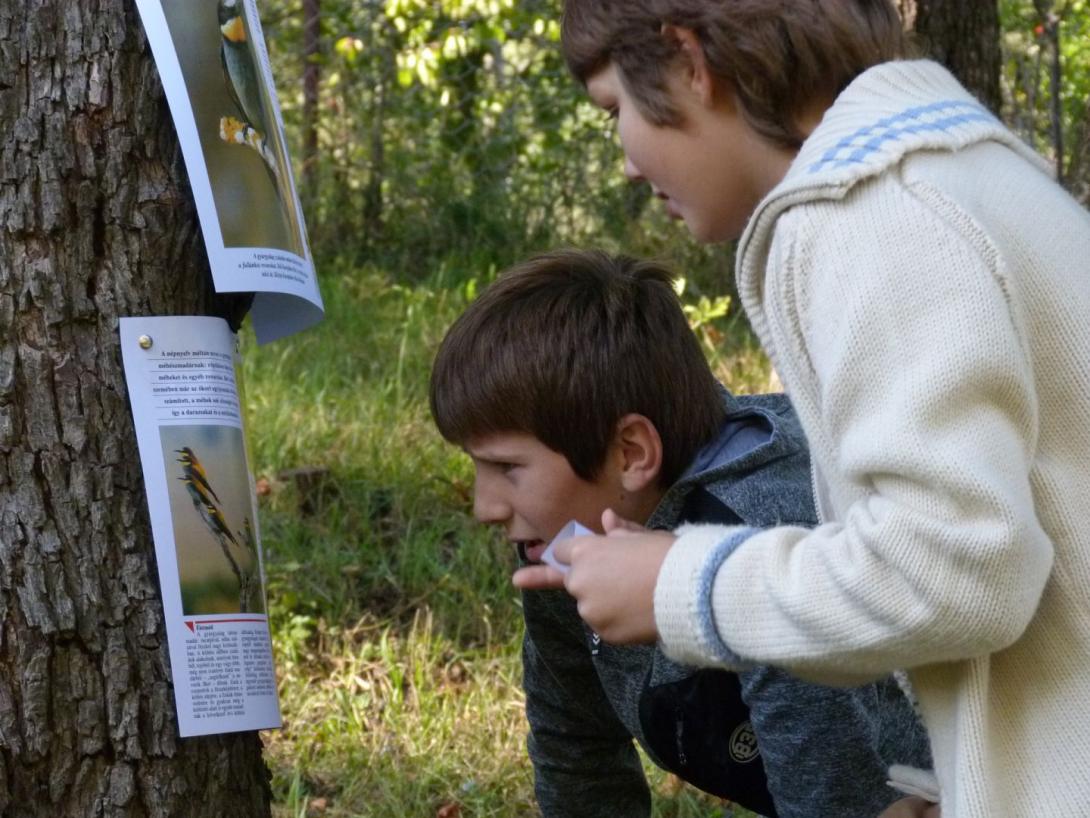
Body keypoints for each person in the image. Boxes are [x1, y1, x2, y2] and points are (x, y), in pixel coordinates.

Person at [517, 2, 1090, 817]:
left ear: (687, 61)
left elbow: (959, 567)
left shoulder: (871, 216)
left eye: (615, 111)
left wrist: (683, 582)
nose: (629, 167)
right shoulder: (955, 177)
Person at [429, 249, 932, 818]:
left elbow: (844, 802)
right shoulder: (565, 537)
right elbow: (576, 744)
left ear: (630, 453)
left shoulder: (773, 560)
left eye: (506, 469)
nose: (484, 506)